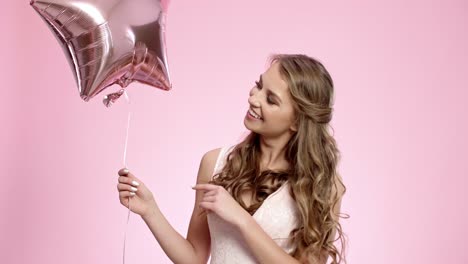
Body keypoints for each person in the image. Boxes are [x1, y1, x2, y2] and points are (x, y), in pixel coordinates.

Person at [116, 54, 348, 264]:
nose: (254, 98)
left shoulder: (323, 185)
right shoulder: (215, 162)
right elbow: (195, 258)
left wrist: (242, 220)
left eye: (270, 99)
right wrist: (150, 210)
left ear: (297, 121)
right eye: (258, 85)